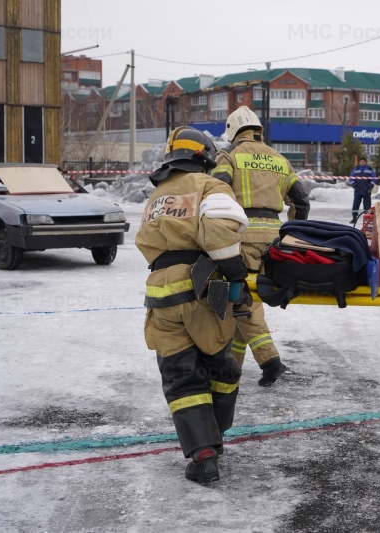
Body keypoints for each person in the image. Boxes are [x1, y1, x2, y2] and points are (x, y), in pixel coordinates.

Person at [136, 126, 250, 483]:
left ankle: (202, 455)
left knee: (181, 377)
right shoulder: (209, 186)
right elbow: (217, 233)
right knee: (221, 365)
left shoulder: (157, 196)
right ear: (205, 157)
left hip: (159, 294)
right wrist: (236, 276)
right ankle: (216, 433)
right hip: (202, 289)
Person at [211, 106, 310, 386]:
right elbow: (301, 202)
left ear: (233, 131)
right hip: (275, 242)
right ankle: (234, 367)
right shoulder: (280, 160)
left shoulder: (228, 156)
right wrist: (291, 233)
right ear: (258, 129)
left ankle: (270, 362)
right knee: (246, 301)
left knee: (241, 301)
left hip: (240, 238)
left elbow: (217, 193)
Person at [349, 156, 377, 222]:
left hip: (366, 190)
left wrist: (370, 185)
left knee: (367, 205)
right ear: (359, 162)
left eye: (363, 161)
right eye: (361, 161)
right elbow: (351, 178)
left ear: (365, 162)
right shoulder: (356, 169)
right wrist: (354, 185)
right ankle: (354, 218)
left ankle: (367, 218)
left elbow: (374, 178)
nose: (362, 162)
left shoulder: (369, 169)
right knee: (355, 205)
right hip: (358, 190)